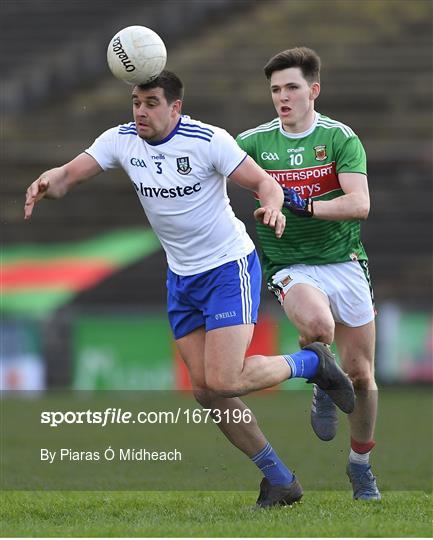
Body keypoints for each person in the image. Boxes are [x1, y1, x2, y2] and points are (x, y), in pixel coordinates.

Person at [24, 70, 355, 507]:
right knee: (204, 391)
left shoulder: (207, 140)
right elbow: (69, 174)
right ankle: (279, 480)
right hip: (181, 277)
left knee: (225, 379)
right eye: (136, 102)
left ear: (175, 107)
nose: (141, 111)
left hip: (227, 268)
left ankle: (311, 363)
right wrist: (48, 183)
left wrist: (273, 207)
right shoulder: (121, 139)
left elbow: (264, 184)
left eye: (151, 103)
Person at [236, 47, 381, 500]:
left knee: (361, 375)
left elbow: (360, 204)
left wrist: (304, 205)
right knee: (318, 326)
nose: (283, 97)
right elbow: (208, 161)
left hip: (345, 261)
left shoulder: (339, 138)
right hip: (290, 263)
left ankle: (361, 464)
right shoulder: (254, 142)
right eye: (276, 89)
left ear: (313, 90)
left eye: (292, 87)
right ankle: (321, 369)